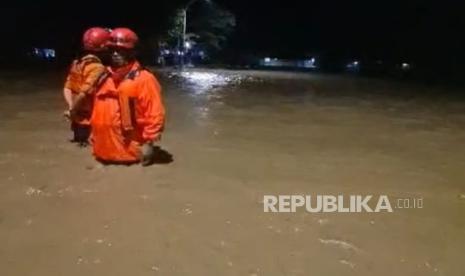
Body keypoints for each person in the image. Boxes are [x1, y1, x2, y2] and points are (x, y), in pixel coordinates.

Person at [90, 28, 165, 166]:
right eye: (112, 50)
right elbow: (96, 110)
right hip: (101, 154)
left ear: (132, 52)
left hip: (129, 156)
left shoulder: (144, 79)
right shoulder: (103, 76)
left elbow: (154, 113)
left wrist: (149, 143)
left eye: (121, 51)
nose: (115, 54)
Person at [63, 27, 110, 146]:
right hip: (89, 120)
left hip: (77, 118)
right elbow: (84, 93)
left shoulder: (76, 63)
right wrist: (73, 110)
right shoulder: (97, 67)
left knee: (79, 143)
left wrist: (71, 108)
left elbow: (67, 88)